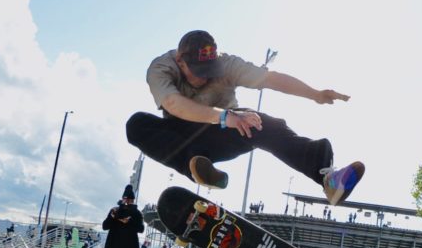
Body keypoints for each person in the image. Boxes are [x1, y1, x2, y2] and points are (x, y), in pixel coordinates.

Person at [126, 30, 365, 206]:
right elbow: (172, 103)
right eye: (197, 73)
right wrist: (223, 116)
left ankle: (326, 177)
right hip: (180, 135)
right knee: (136, 124)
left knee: (261, 122)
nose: (203, 79)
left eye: (208, 72)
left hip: (222, 135)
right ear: (180, 60)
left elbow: (271, 79)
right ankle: (198, 166)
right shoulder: (161, 68)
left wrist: (315, 94)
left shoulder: (227, 64)